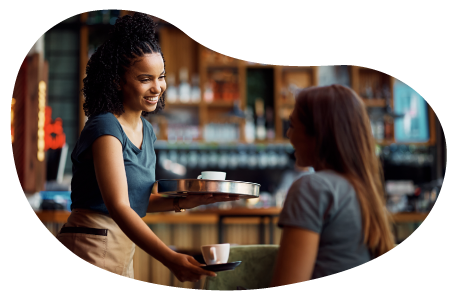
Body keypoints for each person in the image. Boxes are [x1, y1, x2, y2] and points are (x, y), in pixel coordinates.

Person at [56, 12, 239, 291]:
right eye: (145, 79)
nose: (158, 87)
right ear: (118, 80)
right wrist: (170, 258)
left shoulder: (147, 130)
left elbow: (136, 201)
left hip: (121, 245)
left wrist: (190, 201)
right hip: (90, 243)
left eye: (161, 77)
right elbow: (118, 206)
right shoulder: (105, 127)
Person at [269, 84, 395, 291]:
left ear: (317, 132)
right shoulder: (363, 190)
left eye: (292, 125)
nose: (289, 135)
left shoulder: (311, 187)